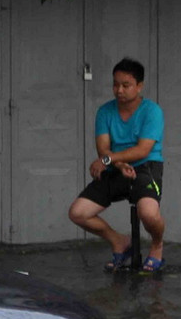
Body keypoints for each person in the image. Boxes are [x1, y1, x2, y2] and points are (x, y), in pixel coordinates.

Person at [68, 57, 165, 272]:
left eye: (126, 85)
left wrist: (109, 159)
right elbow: (103, 148)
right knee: (78, 212)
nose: (119, 90)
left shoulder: (152, 111)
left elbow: (143, 150)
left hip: (146, 166)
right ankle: (120, 242)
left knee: (148, 214)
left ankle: (157, 246)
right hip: (115, 167)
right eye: (115, 84)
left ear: (139, 86)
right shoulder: (105, 111)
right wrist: (117, 164)